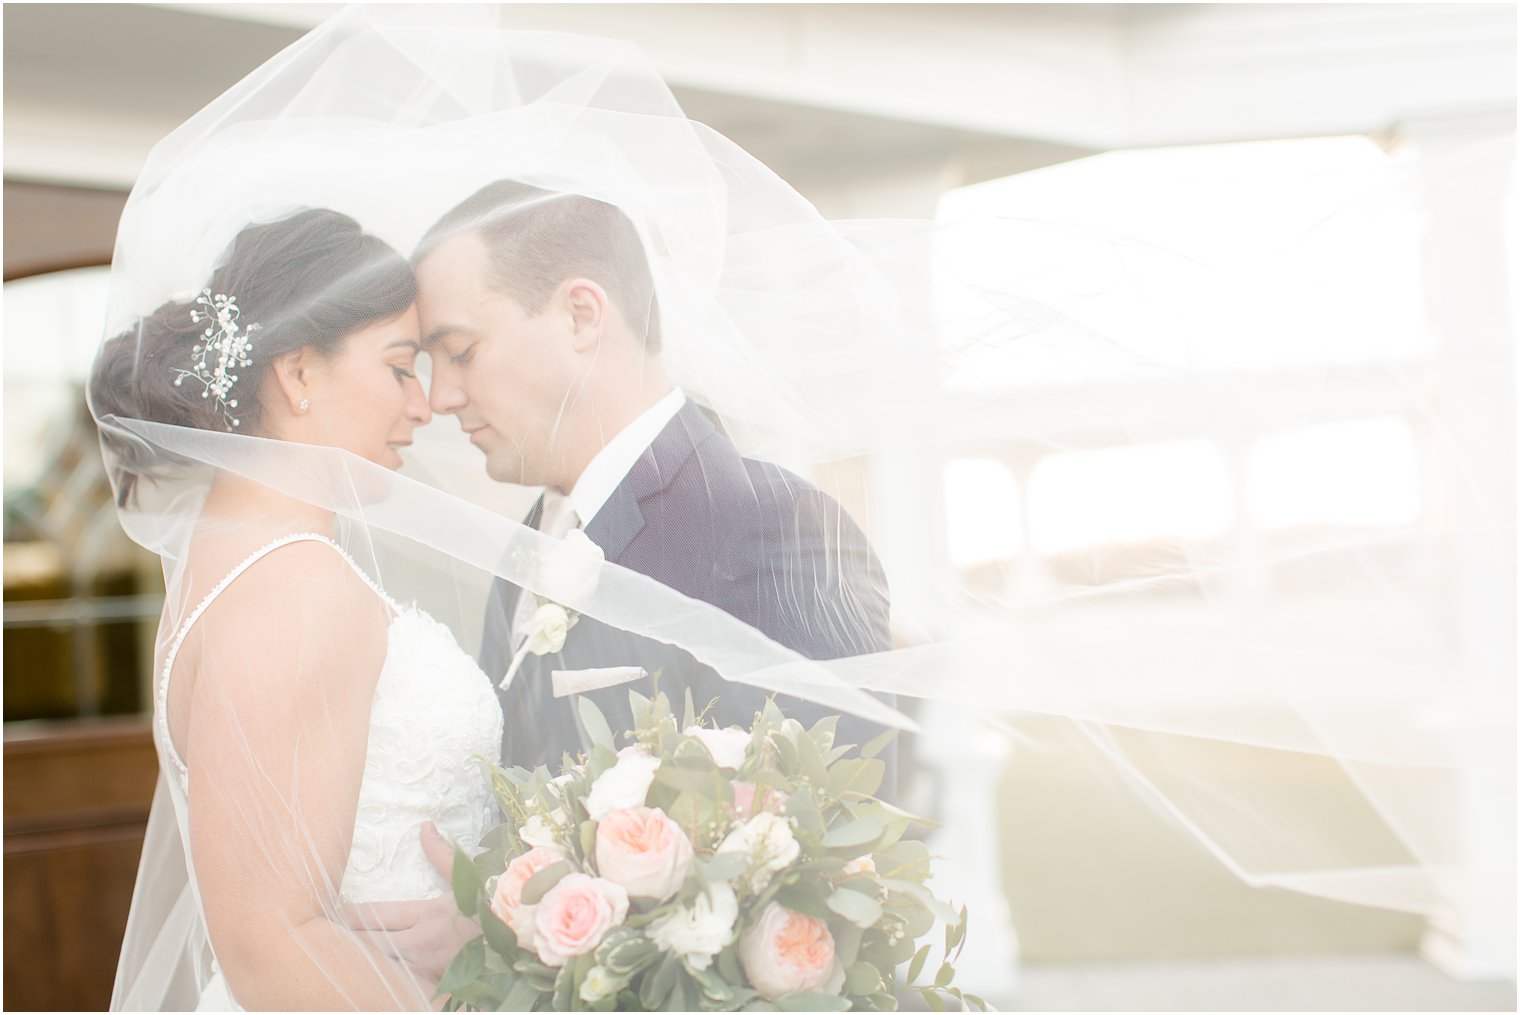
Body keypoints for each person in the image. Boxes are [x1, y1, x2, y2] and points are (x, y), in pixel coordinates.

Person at [93, 209, 499, 1010]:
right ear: (299, 373)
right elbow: (270, 947)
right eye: (398, 367)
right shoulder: (296, 588)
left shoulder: (238, 564)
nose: (424, 406)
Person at [412, 179, 897, 774]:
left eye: (459, 351)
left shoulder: (773, 530)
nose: (439, 397)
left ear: (580, 316)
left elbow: (835, 833)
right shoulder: (528, 547)